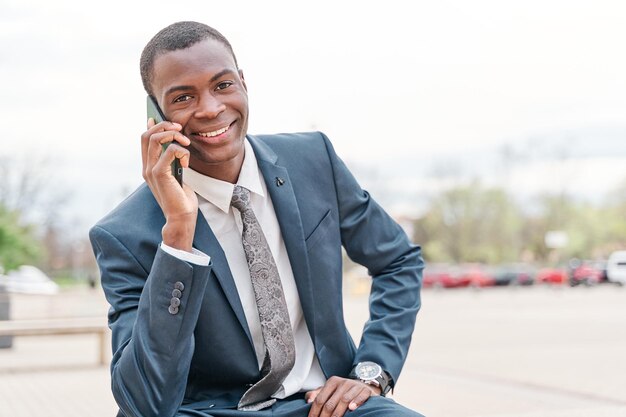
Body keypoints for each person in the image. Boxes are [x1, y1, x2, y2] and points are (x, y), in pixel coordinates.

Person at [90, 21, 424, 417]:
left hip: (325, 403)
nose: (211, 108)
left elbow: (398, 261)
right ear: (156, 114)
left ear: (243, 84)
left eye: (222, 85)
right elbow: (144, 403)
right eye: (183, 97)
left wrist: (371, 373)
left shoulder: (314, 161)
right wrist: (178, 236)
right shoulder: (124, 234)